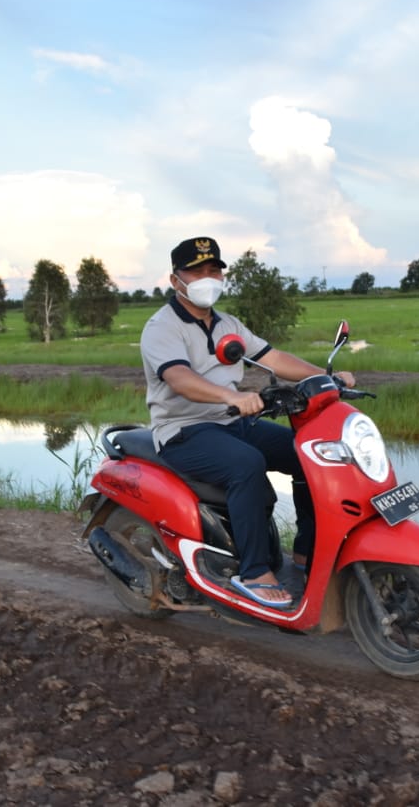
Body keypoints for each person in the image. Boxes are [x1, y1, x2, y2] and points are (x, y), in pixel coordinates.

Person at [140, 236, 354, 609]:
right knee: (246, 464)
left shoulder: (229, 325)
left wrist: (325, 377)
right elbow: (179, 378)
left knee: (306, 453)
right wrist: (233, 396)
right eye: (197, 270)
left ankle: (306, 552)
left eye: (213, 270)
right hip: (184, 430)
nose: (207, 278)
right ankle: (254, 572)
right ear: (176, 279)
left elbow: (272, 357)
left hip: (231, 422)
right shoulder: (162, 327)